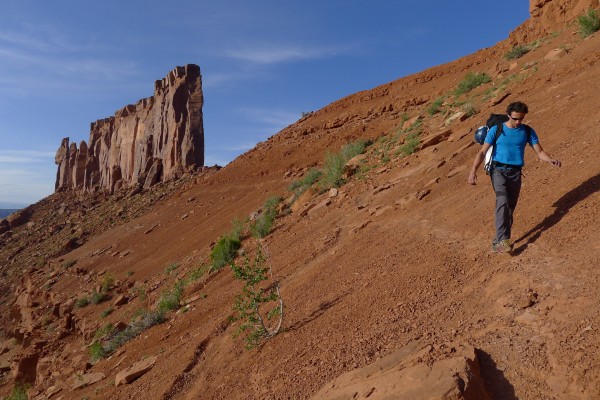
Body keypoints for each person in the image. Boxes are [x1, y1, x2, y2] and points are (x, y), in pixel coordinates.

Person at [467, 101, 561, 253]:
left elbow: (540, 152)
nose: (518, 122)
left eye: (521, 119)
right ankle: (503, 240)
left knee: (510, 207)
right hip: (498, 169)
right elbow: (482, 152)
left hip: (515, 172)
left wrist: (550, 159)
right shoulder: (497, 130)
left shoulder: (527, 131)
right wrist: (473, 172)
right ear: (508, 115)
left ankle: (500, 239)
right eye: (515, 118)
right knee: (502, 200)